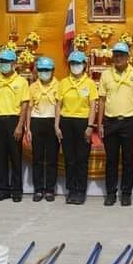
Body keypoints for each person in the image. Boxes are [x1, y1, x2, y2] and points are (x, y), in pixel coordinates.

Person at [98, 41, 133, 206]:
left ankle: (126, 193)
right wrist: (100, 124)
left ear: (128, 57)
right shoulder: (106, 75)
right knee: (111, 159)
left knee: (128, 159)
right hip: (110, 121)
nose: (118, 58)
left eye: (121, 55)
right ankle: (111, 193)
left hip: (129, 122)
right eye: (116, 55)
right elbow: (102, 100)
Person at [0, 48, 29, 202]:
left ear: (14, 64)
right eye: (2, 62)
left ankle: (16, 190)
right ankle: (3, 190)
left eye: (7, 62)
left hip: (13, 121)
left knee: (15, 157)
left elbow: (24, 105)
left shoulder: (21, 82)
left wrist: (20, 126)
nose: (4, 64)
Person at [55, 50, 97, 205]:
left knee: (81, 159)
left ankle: (81, 191)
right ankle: (71, 190)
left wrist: (90, 126)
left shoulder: (90, 83)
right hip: (66, 122)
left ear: (84, 65)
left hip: (83, 123)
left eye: (78, 63)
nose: (75, 66)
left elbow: (93, 106)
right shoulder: (63, 83)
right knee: (69, 159)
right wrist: (56, 125)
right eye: (72, 63)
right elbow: (58, 105)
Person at [26, 56, 59, 202]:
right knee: (37, 158)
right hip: (36, 121)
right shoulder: (32, 87)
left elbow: (59, 107)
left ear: (53, 71)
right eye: (41, 70)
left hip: (52, 122)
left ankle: (50, 189)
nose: (44, 72)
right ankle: (38, 189)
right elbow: (29, 108)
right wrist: (28, 128)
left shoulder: (59, 85)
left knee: (52, 158)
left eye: (47, 70)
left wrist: (57, 125)